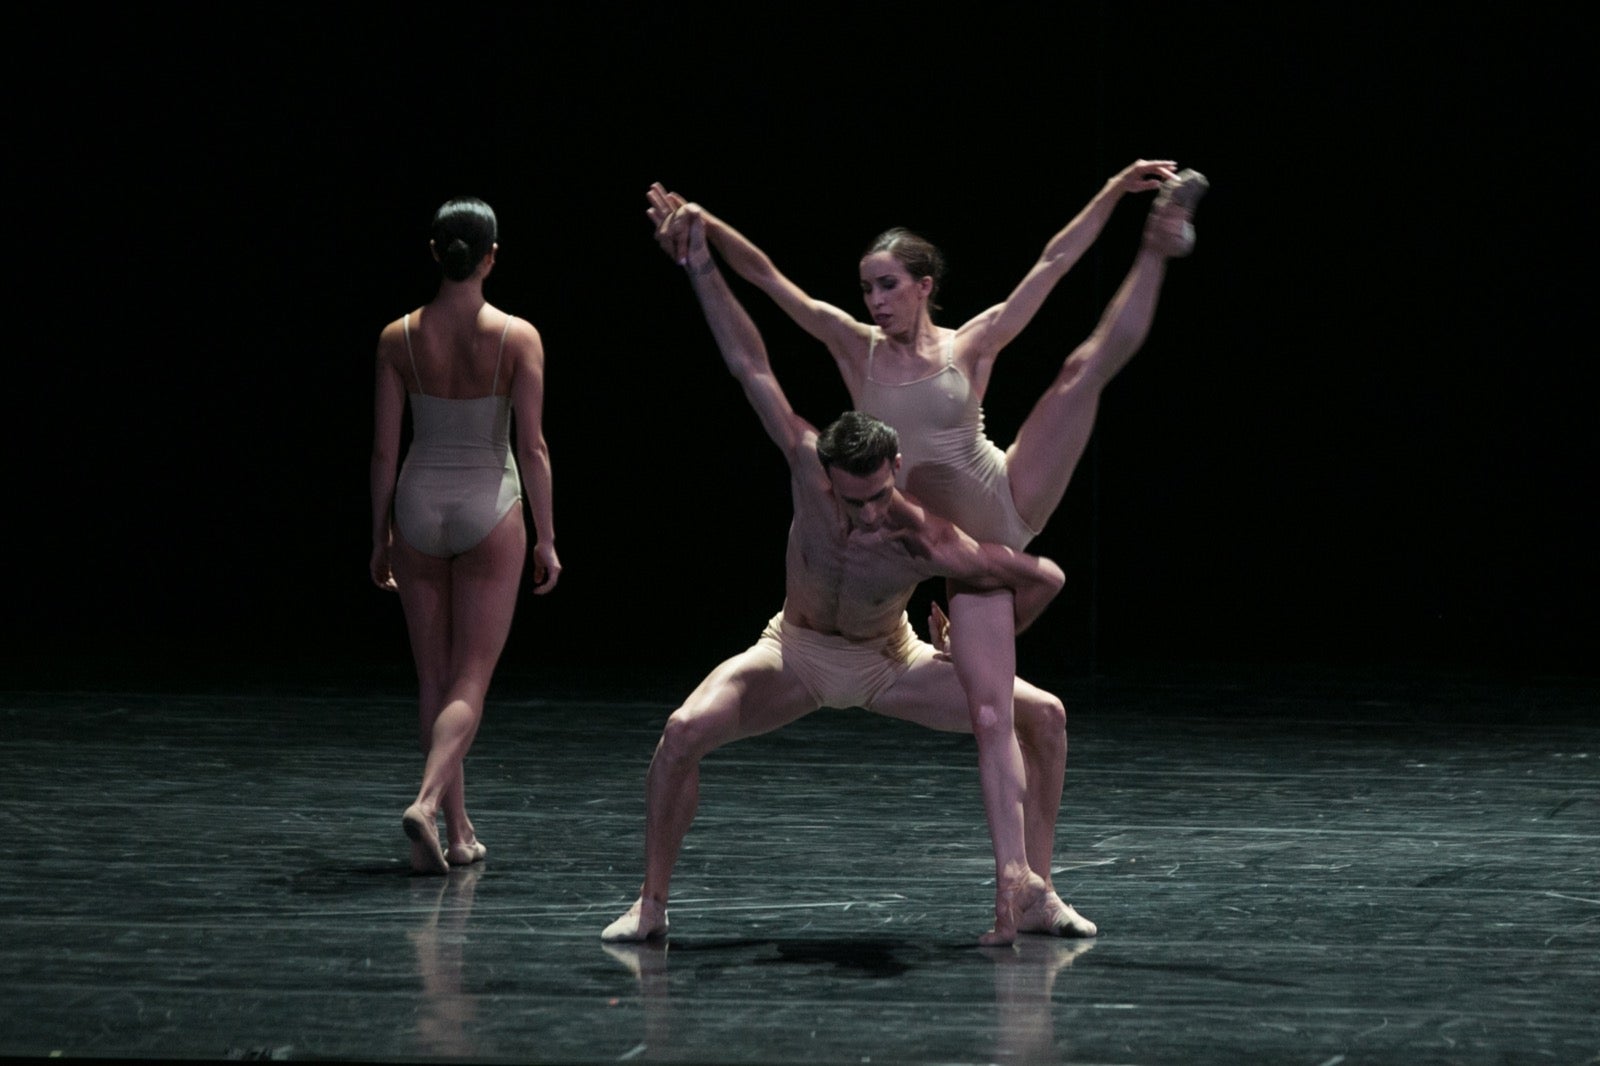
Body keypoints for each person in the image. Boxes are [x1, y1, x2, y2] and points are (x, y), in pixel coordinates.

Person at [647, 161, 1207, 939]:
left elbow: (1053, 262)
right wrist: (703, 232)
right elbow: (769, 288)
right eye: (867, 287)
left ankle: (1158, 242)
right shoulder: (855, 349)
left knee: (1082, 371)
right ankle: (1022, 888)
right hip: (946, 556)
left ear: (924, 284)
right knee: (994, 712)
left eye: (887, 285)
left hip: (1000, 503)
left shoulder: (971, 344)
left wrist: (1114, 196)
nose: (874, 301)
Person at [602, 216, 1094, 946]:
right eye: (846, 499)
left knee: (1044, 718)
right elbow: (750, 362)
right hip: (793, 652)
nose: (860, 516)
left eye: (872, 500)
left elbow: (1036, 573)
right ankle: (651, 906)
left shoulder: (928, 533)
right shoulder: (808, 464)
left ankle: (1036, 892)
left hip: (888, 661)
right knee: (679, 736)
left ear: (895, 474)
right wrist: (701, 264)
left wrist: (983, 635)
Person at [369, 197, 559, 874]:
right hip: (488, 505)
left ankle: (454, 835)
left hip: (417, 505)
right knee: (470, 680)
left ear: (433, 252)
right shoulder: (517, 336)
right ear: (492, 257)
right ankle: (426, 804)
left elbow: (384, 455)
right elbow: (531, 447)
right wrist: (546, 537)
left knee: (434, 678)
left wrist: (379, 535)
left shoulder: (398, 337)